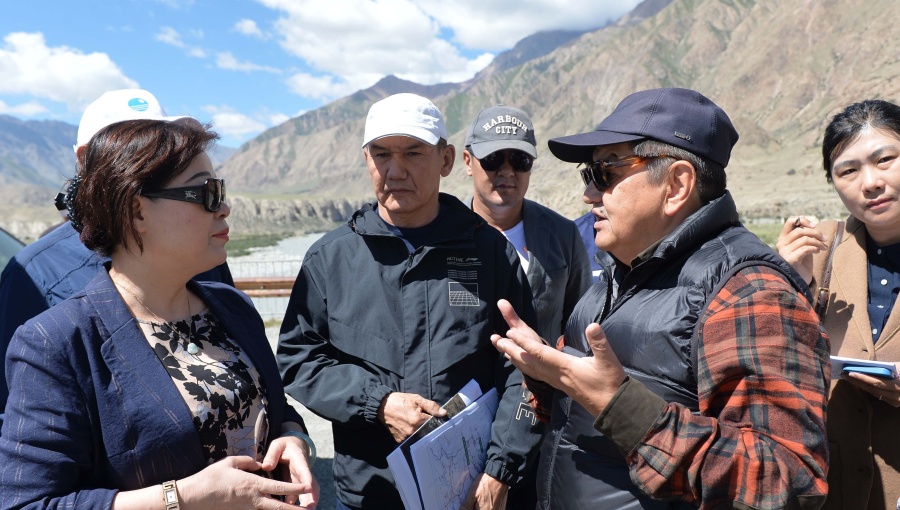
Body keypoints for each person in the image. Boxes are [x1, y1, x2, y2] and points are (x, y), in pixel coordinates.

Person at [490, 87, 831, 509]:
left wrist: (622, 407)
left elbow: (787, 483)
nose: (589, 195)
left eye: (605, 173)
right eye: (587, 175)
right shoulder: (622, 271)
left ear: (676, 185)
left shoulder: (750, 292)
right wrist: (550, 375)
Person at [0, 118, 318, 509]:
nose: (224, 206)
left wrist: (292, 439)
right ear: (137, 211)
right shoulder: (56, 342)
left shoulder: (232, 307)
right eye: (206, 192)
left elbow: (279, 411)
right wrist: (183, 498)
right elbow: (27, 503)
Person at [277, 93, 543, 509]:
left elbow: (523, 370)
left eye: (413, 153)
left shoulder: (489, 252)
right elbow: (299, 358)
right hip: (372, 493)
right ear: (366, 159)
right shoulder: (331, 259)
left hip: (472, 490)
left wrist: (500, 471)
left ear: (447, 159)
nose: (394, 170)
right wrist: (377, 403)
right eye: (381, 154)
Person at [0, 89, 233, 427]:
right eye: (131, 146)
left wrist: (291, 433)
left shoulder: (205, 258)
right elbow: (18, 427)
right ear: (88, 161)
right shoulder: (34, 275)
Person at [463, 104, 591, 509]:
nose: (506, 171)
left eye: (519, 159)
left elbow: (580, 322)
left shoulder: (561, 235)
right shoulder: (446, 237)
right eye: (492, 159)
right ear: (467, 162)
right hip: (463, 425)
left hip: (541, 423)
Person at [776, 99, 900, 510]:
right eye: (848, 170)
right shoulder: (819, 248)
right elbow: (772, 357)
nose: (870, 182)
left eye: (885, 160)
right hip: (833, 490)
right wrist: (788, 276)